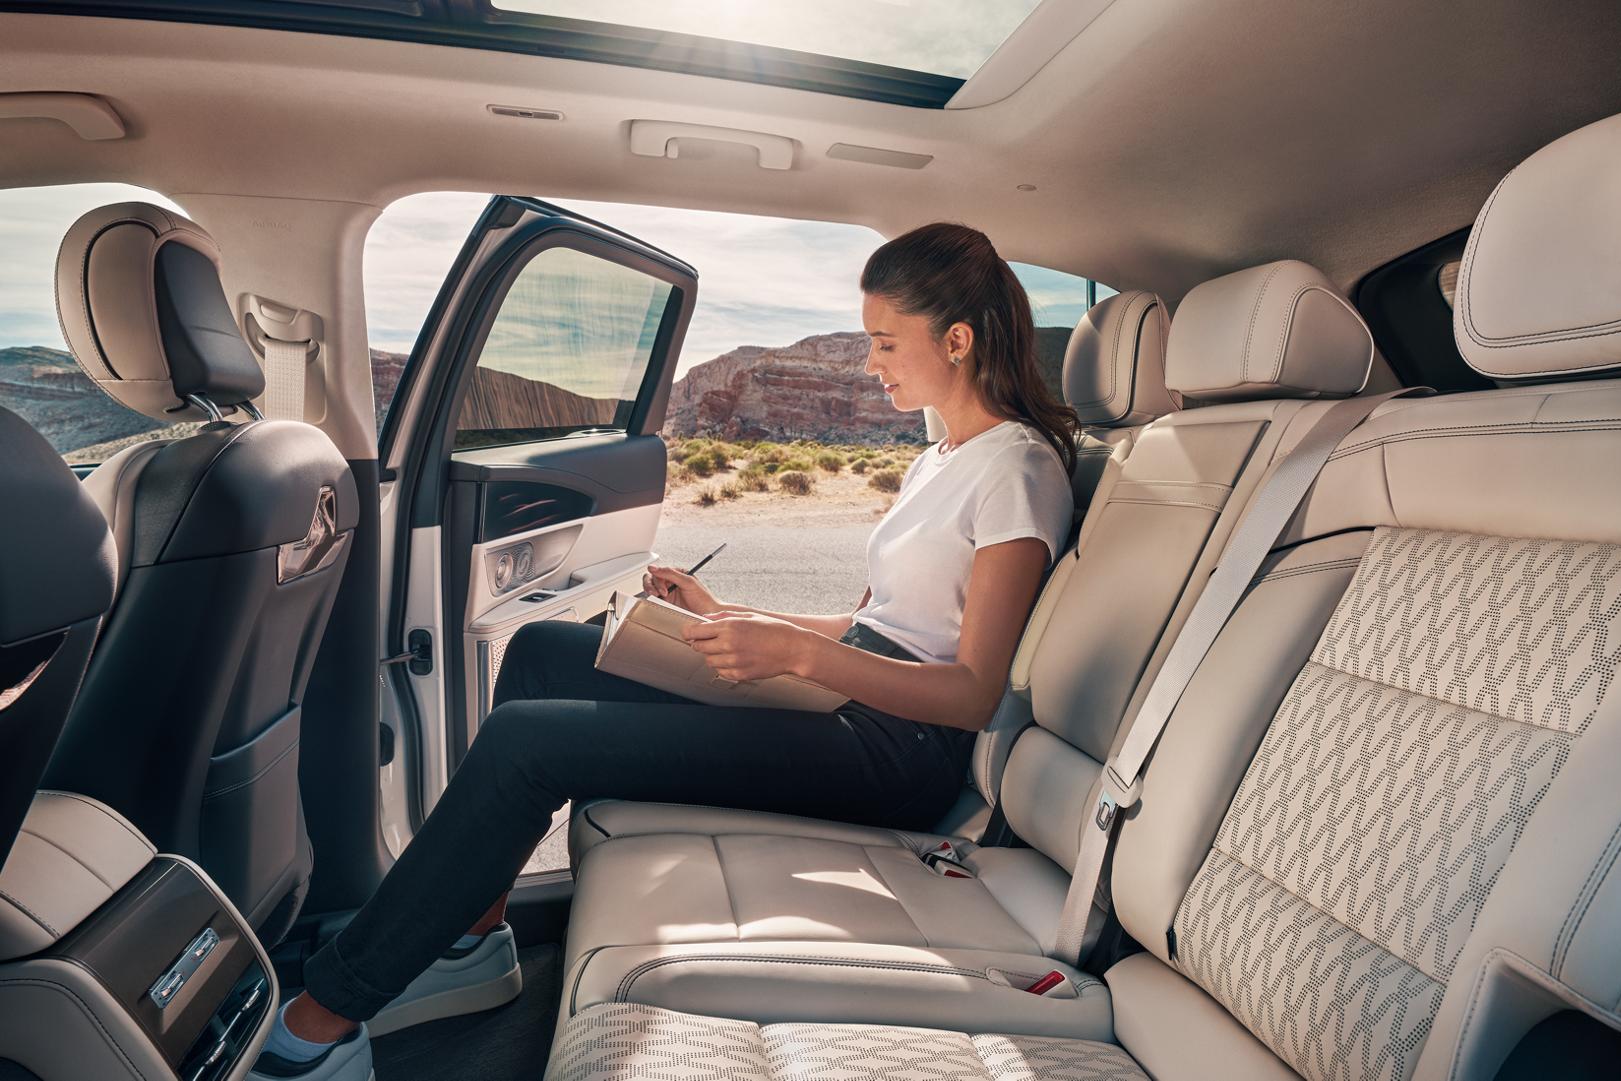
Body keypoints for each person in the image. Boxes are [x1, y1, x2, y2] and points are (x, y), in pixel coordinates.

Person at [248, 222, 1078, 1079]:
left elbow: (972, 690)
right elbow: (876, 623)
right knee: (539, 649)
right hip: (849, 699)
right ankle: (468, 931)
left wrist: (793, 656)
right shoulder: (940, 458)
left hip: (899, 750)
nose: (871, 363)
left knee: (530, 743)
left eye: (883, 342)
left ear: (957, 339)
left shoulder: (1017, 468)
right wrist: (730, 614)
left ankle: (322, 1018)